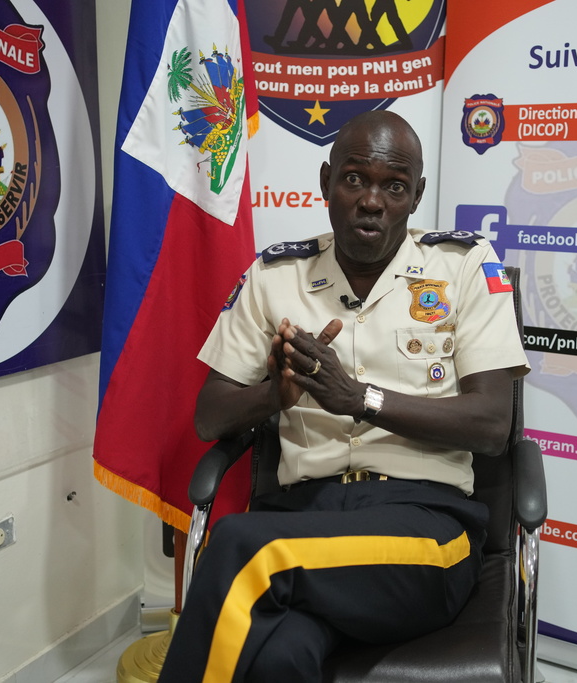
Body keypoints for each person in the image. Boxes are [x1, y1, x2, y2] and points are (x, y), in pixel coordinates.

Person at [157, 110, 529, 683]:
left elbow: (491, 424)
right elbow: (210, 417)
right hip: (305, 516)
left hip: (425, 527)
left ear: (416, 196)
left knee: (240, 547)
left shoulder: (464, 265)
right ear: (326, 182)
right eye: (355, 179)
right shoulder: (276, 274)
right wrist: (275, 396)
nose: (372, 201)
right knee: (277, 658)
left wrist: (359, 399)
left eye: (395, 187)